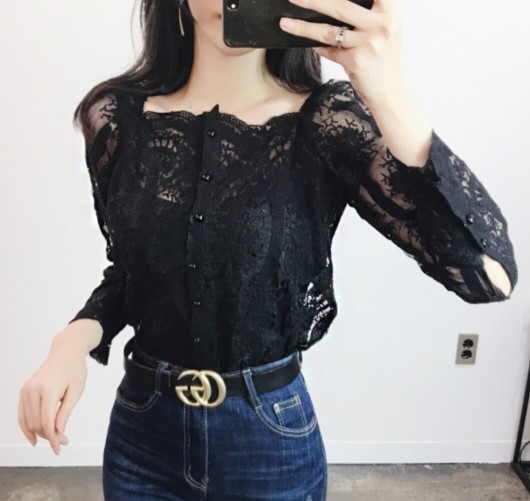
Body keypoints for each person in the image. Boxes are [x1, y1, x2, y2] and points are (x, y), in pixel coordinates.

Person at [18, 0, 517, 499]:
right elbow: (130, 272)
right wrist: (71, 343)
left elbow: (487, 276)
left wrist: (387, 93)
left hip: (269, 443)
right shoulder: (116, 118)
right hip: (142, 439)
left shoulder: (324, 123)